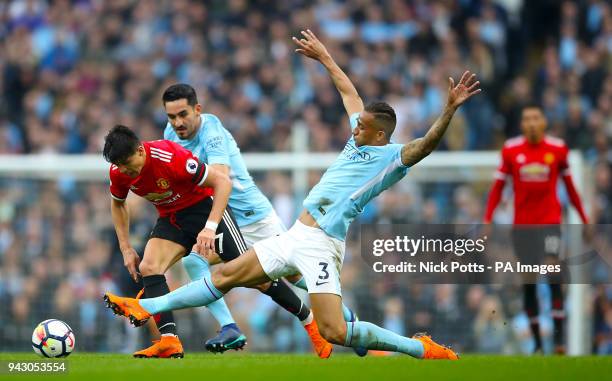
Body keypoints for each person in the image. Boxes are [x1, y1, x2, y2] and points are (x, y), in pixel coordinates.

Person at [104, 29, 481, 359]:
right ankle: (147, 306)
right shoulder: (358, 138)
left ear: (379, 135)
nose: (354, 127)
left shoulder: (391, 159)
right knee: (227, 275)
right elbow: (348, 92)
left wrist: (447, 111)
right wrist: (325, 58)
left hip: (322, 244)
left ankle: (418, 348)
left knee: (335, 330)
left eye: (362, 126)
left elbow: (426, 145)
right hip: (299, 232)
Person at [160, 83, 338, 357]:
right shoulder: (170, 135)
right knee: (195, 260)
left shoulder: (213, 132)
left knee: (294, 275)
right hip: (222, 220)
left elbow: (220, 179)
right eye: (171, 117)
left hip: (254, 217)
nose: (178, 122)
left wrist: (206, 226)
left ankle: (348, 322)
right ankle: (230, 327)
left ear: (197, 109)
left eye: (183, 114)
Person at [105, 124, 234, 358]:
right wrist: (125, 248)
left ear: (140, 151)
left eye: (127, 163)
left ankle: (308, 320)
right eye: (119, 165)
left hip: (204, 212)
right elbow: (117, 203)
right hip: (173, 219)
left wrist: (210, 227)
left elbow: (222, 181)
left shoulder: (169, 156)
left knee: (253, 275)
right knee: (149, 267)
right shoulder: (119, 171)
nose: (125, 171)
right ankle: (169, 340)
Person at [484, 103, 589, 354]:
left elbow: (571, 187)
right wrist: (488, 218)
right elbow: (498, 187)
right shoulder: (511, 151)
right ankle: (539, 344)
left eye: (536, 118)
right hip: (522, 227)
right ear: (522, 125)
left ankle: (560, 340)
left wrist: (584, 217)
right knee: (529, 281)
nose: (531, 122)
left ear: (543, 122)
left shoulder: (557, 149)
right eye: (527, 119)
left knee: (553, 270)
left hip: (550, 222)